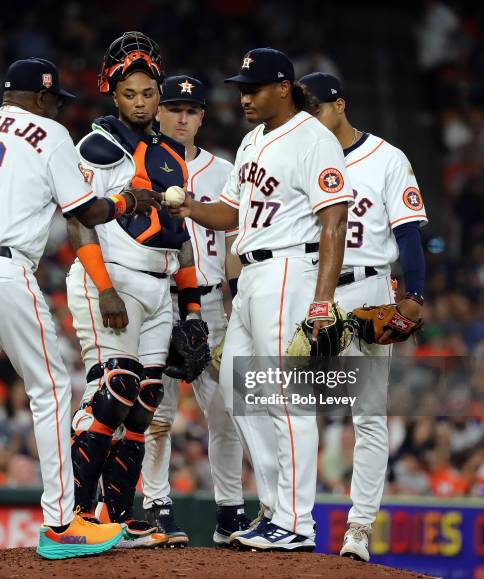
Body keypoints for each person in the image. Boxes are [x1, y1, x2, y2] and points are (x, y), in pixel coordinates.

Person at [0, 57, 160, 569]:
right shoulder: (49, 132)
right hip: (2, 269)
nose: (57, 108)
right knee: (50, 388)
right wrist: (129, 200)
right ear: (43, 97)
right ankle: (60, 523)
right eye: (56, 99)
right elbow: (87, 212)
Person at [171, 48, 352, 551]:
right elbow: (230, 214)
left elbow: (333, 222)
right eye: (241, 88)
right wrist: (187, 203)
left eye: (253, 88)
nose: (244, 97)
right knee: (239, 392)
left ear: (284, 88)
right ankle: (275, 510)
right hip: (250, 276)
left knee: (285, 401)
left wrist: (321, 303)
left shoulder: (314, 140)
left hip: (290, 268)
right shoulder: (252, 140)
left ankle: (297, 522)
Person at [66, 32, 205, 549]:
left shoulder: (170, 152)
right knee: (114, 389)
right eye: (131, 93)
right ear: (113, 93)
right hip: (114, 279)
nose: (142, 102)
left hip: (159, 284)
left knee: (145, 402)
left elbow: (181, 235)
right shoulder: (98, 144)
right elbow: (78, 219)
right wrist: (104, 290)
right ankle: (76, 516)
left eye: (149, 92)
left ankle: (116, 516)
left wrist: (191, 309)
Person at [299, 72, 427, 562]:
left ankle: (358, 528)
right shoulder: (302, 156)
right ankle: (288, 517)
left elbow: (410, 230)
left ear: (340, 105)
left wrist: (413, 293)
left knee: (369, 416)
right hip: (312, 289)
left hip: (371, 289)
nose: (308, 120)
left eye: (315, 110)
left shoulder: (388, 158)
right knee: (284, 406)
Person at [140, 75, 250, 547]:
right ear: (158, 112)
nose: (182, 117)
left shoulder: (224, 171)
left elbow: (232, 244)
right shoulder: (141, 165)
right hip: (159, 299)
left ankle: (230, 511)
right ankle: (156, 505)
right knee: (157, 414)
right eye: (174, 108)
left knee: (227, 412)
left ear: (202, 117)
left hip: (210, 303)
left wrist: (237, 299)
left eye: (192, 109)